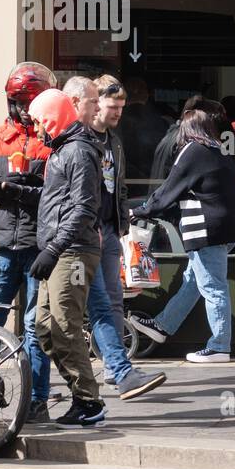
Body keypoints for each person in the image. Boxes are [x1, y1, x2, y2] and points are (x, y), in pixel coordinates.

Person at [129, 98, 235, 363]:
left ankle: (220, 346)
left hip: (208, 229)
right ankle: (163, 326)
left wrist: (140, 211)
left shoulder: (193, 151)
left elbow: (169, 188)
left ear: (188, 130)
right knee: (194, 280)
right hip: (228, 228)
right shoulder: (216, 150)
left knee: (213, 287)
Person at [0, 61, 55, 421]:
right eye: (20, 102)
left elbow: (55, 193)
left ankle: (37, 400)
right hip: (4, 243)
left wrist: (15, 190)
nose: (26, 109)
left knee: (37, 328)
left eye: (31, 102)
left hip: (39, 243)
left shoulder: (53, 139)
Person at [28, 80, 107, 427]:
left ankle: (89, 402)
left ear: (54, 118)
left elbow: (84, 207)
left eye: (40, 121)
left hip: (72, 252)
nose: (36, 128)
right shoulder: (63, 149)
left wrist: (54, 248)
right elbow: (62, 202)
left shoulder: (77, 151)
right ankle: (82, 395)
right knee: (45, 327)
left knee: (64, 326)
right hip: (59, 249)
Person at [86, 76, 166, 400]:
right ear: (95, 104)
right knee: (57, 315)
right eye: (113, 106)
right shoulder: (82, 139)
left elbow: (118, 185)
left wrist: (120, 224)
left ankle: (114, 368)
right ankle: (41, 391)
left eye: (121, 106)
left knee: (111, 300)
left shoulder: (114, 141)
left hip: (107, 230)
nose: (119, 112)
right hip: (84, 233)